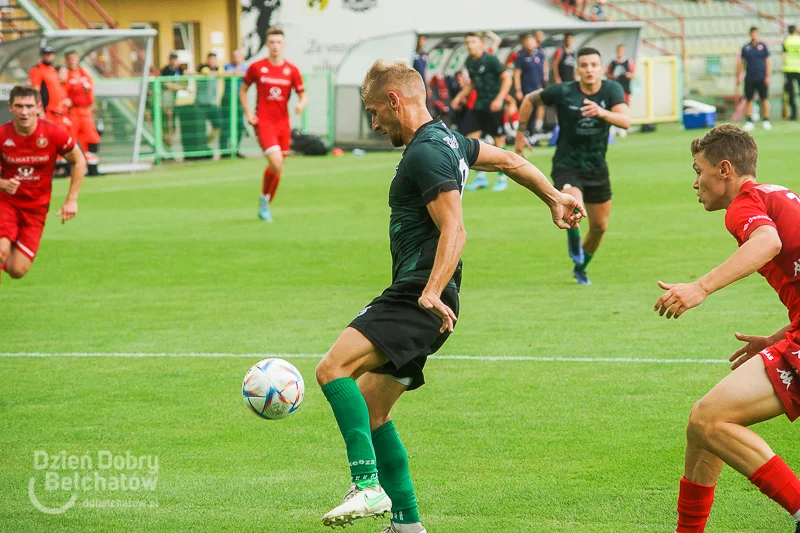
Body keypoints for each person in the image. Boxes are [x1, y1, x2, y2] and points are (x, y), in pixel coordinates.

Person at [315, 58, 585, 533]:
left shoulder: (424, 152)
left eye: (376, 112)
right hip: (431, 294)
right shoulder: (449, 140)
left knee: (332, 369)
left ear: (396, 101)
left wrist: (430, 291)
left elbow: (455, 229)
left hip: (419, 293)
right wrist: (553, 197)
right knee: (373, 407)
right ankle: (408, 526)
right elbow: (511, 160)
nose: (375, 124)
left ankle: (367, 486)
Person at [654, 124, 800, 533]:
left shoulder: (744, 205)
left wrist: (700, 287)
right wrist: (779, 338)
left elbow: (767, 243)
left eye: (697, 170)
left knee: (710, 420)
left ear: (724, 169)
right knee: (703, 428)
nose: (694, 183)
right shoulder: (773, 194)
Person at [515, 47, 630, 285]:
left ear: (601, 68)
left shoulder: (611, 89)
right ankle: (573, 234)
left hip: (597, 167)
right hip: (567, 165)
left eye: (593, 65)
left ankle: (581, 266)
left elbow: (625, 120)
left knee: (599, 226)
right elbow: (529, 99)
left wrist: (601, 112)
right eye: (584, 65)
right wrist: (519, 134)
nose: (589, 70)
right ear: (577, 69)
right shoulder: (564, 91)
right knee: (574, 210)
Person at [0, 85, 86, 282]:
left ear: (38, 107)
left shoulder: (53, 133)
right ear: (10, 107)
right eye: (19, 106)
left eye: (29, 106)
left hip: (36, 209)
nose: (24, 112)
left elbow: (79, 160)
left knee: (17, 269)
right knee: (1, 250)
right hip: (6, 202)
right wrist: (2, 184)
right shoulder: (2, 135)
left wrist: (71, 200)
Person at [240, 27, 307, 222]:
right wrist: (248, 113)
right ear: (267, 44)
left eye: (278, 42)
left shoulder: (291, 70)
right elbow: (243, 90)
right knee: (276, 161)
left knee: (277, 167)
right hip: (264, 122)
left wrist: (301, 104)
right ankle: (264, 203)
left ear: (283, 44)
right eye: (272, 42)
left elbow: (303, 94)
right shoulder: (257, 68)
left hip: (283, 124)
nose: (275, 46)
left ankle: (265, 203)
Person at [451, 32, 512, 192]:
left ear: (482, 43)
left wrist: (499, 99)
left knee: (499, 141)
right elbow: (472, 82)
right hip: (479, 105)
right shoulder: (470, 61)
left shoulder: (491, 59)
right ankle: (480, 178)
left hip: (494, 106)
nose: (470, 45)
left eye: (473, 42)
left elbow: (507, 78)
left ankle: (502, 178)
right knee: (472, 141)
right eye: (468, 42)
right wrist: (459, 96)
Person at [62, 50, 101, 176]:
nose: (72, 61)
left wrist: (92, 104)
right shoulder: (65, 73)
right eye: (70, 58)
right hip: (72, 112)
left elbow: (91, 90)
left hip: (85, 111)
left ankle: (93, 168)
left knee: (92, 139)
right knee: (71, 140)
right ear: (66, 60)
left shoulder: (84, 73)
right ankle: (70, 169)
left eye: (74, 58)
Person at [29, 46, 72, 133]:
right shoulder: (37, 69)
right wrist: (40, 111)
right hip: (47, 112)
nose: (48, 57)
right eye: (45, 54)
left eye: (50, 54)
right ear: (41, 56)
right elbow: (35, 91)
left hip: (58, 113)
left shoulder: (53, 70)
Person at [737, 26, 772, 131]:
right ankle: (749, 120)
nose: (754, 35)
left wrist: (767, 76)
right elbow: (742, 63)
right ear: (750, 34)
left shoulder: (763, 46)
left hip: (761, 77)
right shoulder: (746, 48)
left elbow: (768, 62)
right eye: (752, 33)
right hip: (750, 77)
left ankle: (766, 120)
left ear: (758, 34)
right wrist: (739, 75)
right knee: (749, 99)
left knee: (764, 99)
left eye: (756, 33)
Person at [514, 33, 548, 135]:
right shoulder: (521, 56)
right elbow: (517, 74)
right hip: (526, 88)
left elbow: (544, 65)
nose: (530, 44)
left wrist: (545, 76)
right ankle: (525, 131)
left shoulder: (540, 54)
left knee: (539, 108)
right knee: (527, 110)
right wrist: (518, 90)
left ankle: (535, 130)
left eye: (532, 42)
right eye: (528, 42)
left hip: (538, 87)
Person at [194, 52, 223, 156]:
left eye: (214, 59)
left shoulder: (218, 68)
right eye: (210, 59)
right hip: (201, 103)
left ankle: (205, 143)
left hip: (213, 104)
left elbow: (222, 73)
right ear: (207, 60)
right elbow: (206, 73)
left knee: (218, 126)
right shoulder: (203, 67)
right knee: (201, 128)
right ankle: (202, 147)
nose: (212, 61)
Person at [221, 49, 247, 157]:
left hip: (239, 99)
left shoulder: (245, 67)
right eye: (234, 56)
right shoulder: (226, 67)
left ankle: (236, 149)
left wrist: (238, 72)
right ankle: (224, 151)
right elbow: (221, 73)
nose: (236, 58)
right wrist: (233, 72)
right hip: (227, 99)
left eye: (238, 56)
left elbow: (249, 75)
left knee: (239, 125)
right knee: (226, 125)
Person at [160, 52, 187, 147]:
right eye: (173, 59)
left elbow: (186, 76)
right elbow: (166, 84)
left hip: (175, 99)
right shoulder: (166, 70)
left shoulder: (180, 69)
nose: (175, 61)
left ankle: (169, 140)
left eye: (176, 59)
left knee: (173, 121)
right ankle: (167, 141)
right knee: (168, 119)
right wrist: (182, 88)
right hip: (166, 98)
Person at [783, 25, 800, 121]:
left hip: (789, 69)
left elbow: (783, 55)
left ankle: (793, 114)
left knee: (791, 93)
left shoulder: (786, 41)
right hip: (799, 69)